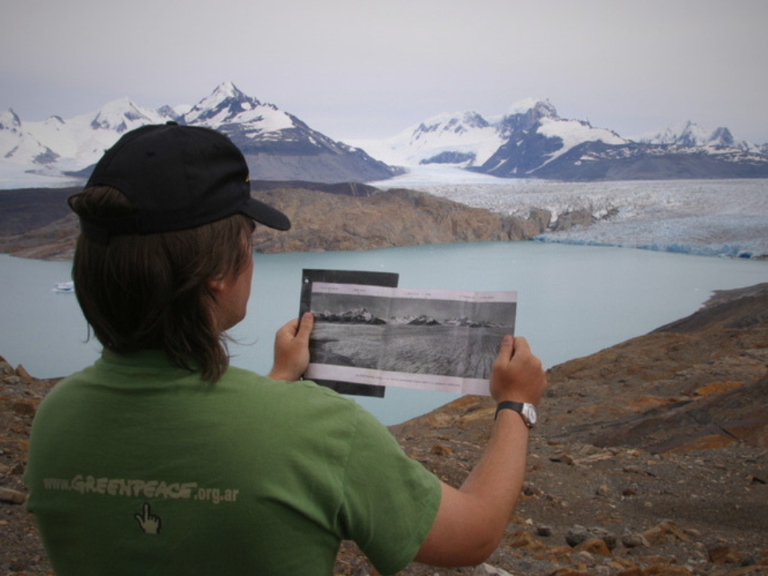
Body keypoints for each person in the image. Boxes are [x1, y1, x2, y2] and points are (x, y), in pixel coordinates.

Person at [24, 122, 547, 576]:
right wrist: (515, 405)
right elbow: (473, 535)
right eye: (249, 238)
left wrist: (278, 382)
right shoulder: (316, 431)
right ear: (217, 273)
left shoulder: (56, 420)